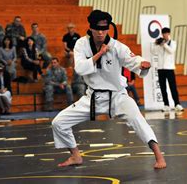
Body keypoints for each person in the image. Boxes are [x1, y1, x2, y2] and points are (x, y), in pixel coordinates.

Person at [51, 10, 166, 169]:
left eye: (104, 29)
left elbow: (132, 59)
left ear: (108, 29)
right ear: (90, 28)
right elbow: (80, 68)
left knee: (138, 119)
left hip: (117, 96)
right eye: (97, 29)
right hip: (92, 97)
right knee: (58, 122)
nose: (100, 32)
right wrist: (100, 54)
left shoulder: (117, 46)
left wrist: (142, 64)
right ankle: (75, 155)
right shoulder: (81, 44)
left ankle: (159, 157)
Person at [151, 27, 183, 112]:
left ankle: (177, 104)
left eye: (166, 33)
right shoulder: (160, 43)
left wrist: (164, 44)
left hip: (169, 68)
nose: (164, 35)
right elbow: (153, 52)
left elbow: (171, 51)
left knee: (173, 87)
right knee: (162, 87)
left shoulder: (173, 42)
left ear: (169, 33)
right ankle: (166, 105)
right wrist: (156, 44)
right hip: (161, 68)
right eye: (163, 33)